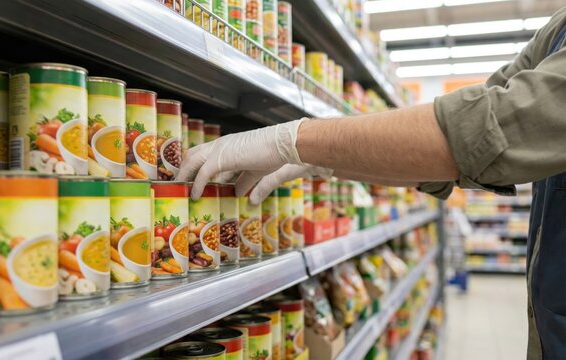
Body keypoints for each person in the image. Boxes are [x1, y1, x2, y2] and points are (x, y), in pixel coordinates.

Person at [179, 6, 566, 359]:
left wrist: (293, 141)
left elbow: (486, 128)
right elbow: (465, 131)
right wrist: (323, 161)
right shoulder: (556, 29)